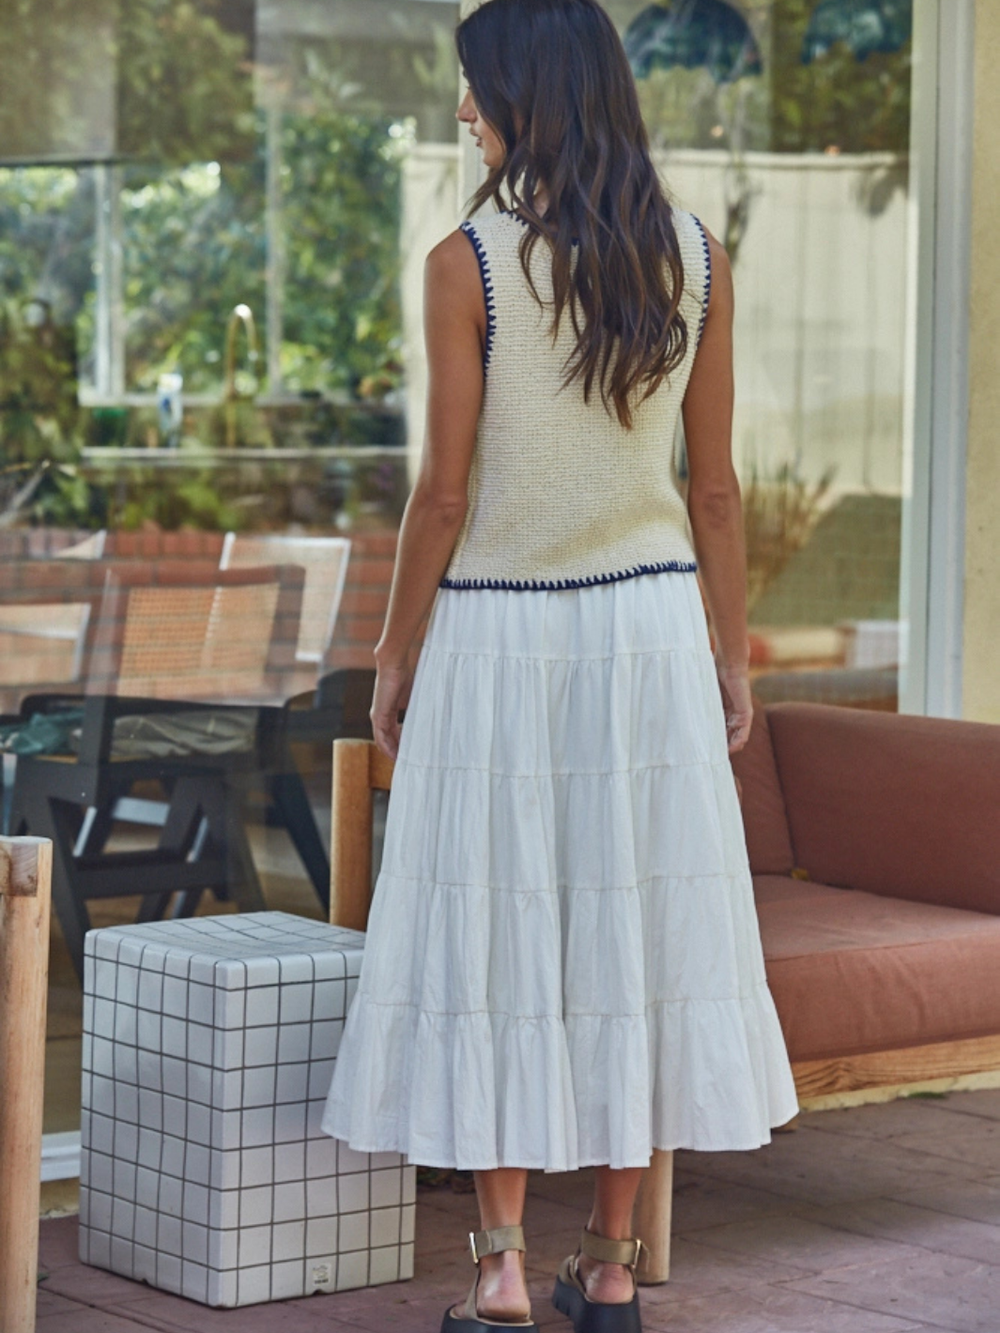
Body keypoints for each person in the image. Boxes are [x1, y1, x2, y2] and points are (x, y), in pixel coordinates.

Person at [322, 2, 801, 1329]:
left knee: (499, 933)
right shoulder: (693, 257)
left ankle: (497, 1266)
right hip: (650, 636)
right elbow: (715, 492)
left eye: (475, 90)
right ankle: (610, 1263)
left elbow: (442, 495)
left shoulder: (466, 263)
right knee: (631, 932)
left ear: (526, 97)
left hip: (500, 633)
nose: (463, 112)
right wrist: (731, 656)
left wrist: (393, 652)